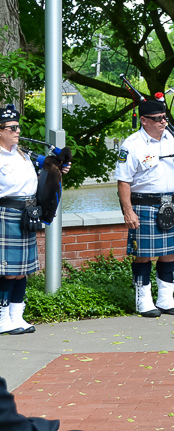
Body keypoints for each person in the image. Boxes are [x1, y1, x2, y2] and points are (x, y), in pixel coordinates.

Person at [115, 99, 174, 317]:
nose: (163, 122)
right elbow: (123, 181)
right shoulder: (132, 145)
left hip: (171, 203)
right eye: (157, 119)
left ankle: (166, 298)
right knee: (143, 255)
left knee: (169, 253)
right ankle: (143, 300)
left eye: (164, 118)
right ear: (144, 120)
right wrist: (128, 211)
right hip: (144, 205)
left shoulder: (173, 140)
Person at [0, 104, 70, 336]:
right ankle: (2, 318)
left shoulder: (23, 154)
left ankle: (16, 316)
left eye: (18, 127)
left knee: (21, 271)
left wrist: (59, 166)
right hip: (6, 214)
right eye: (12, 128)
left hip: (26, 214)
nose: (18, 131)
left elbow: (48, 169)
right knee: (8, 271)